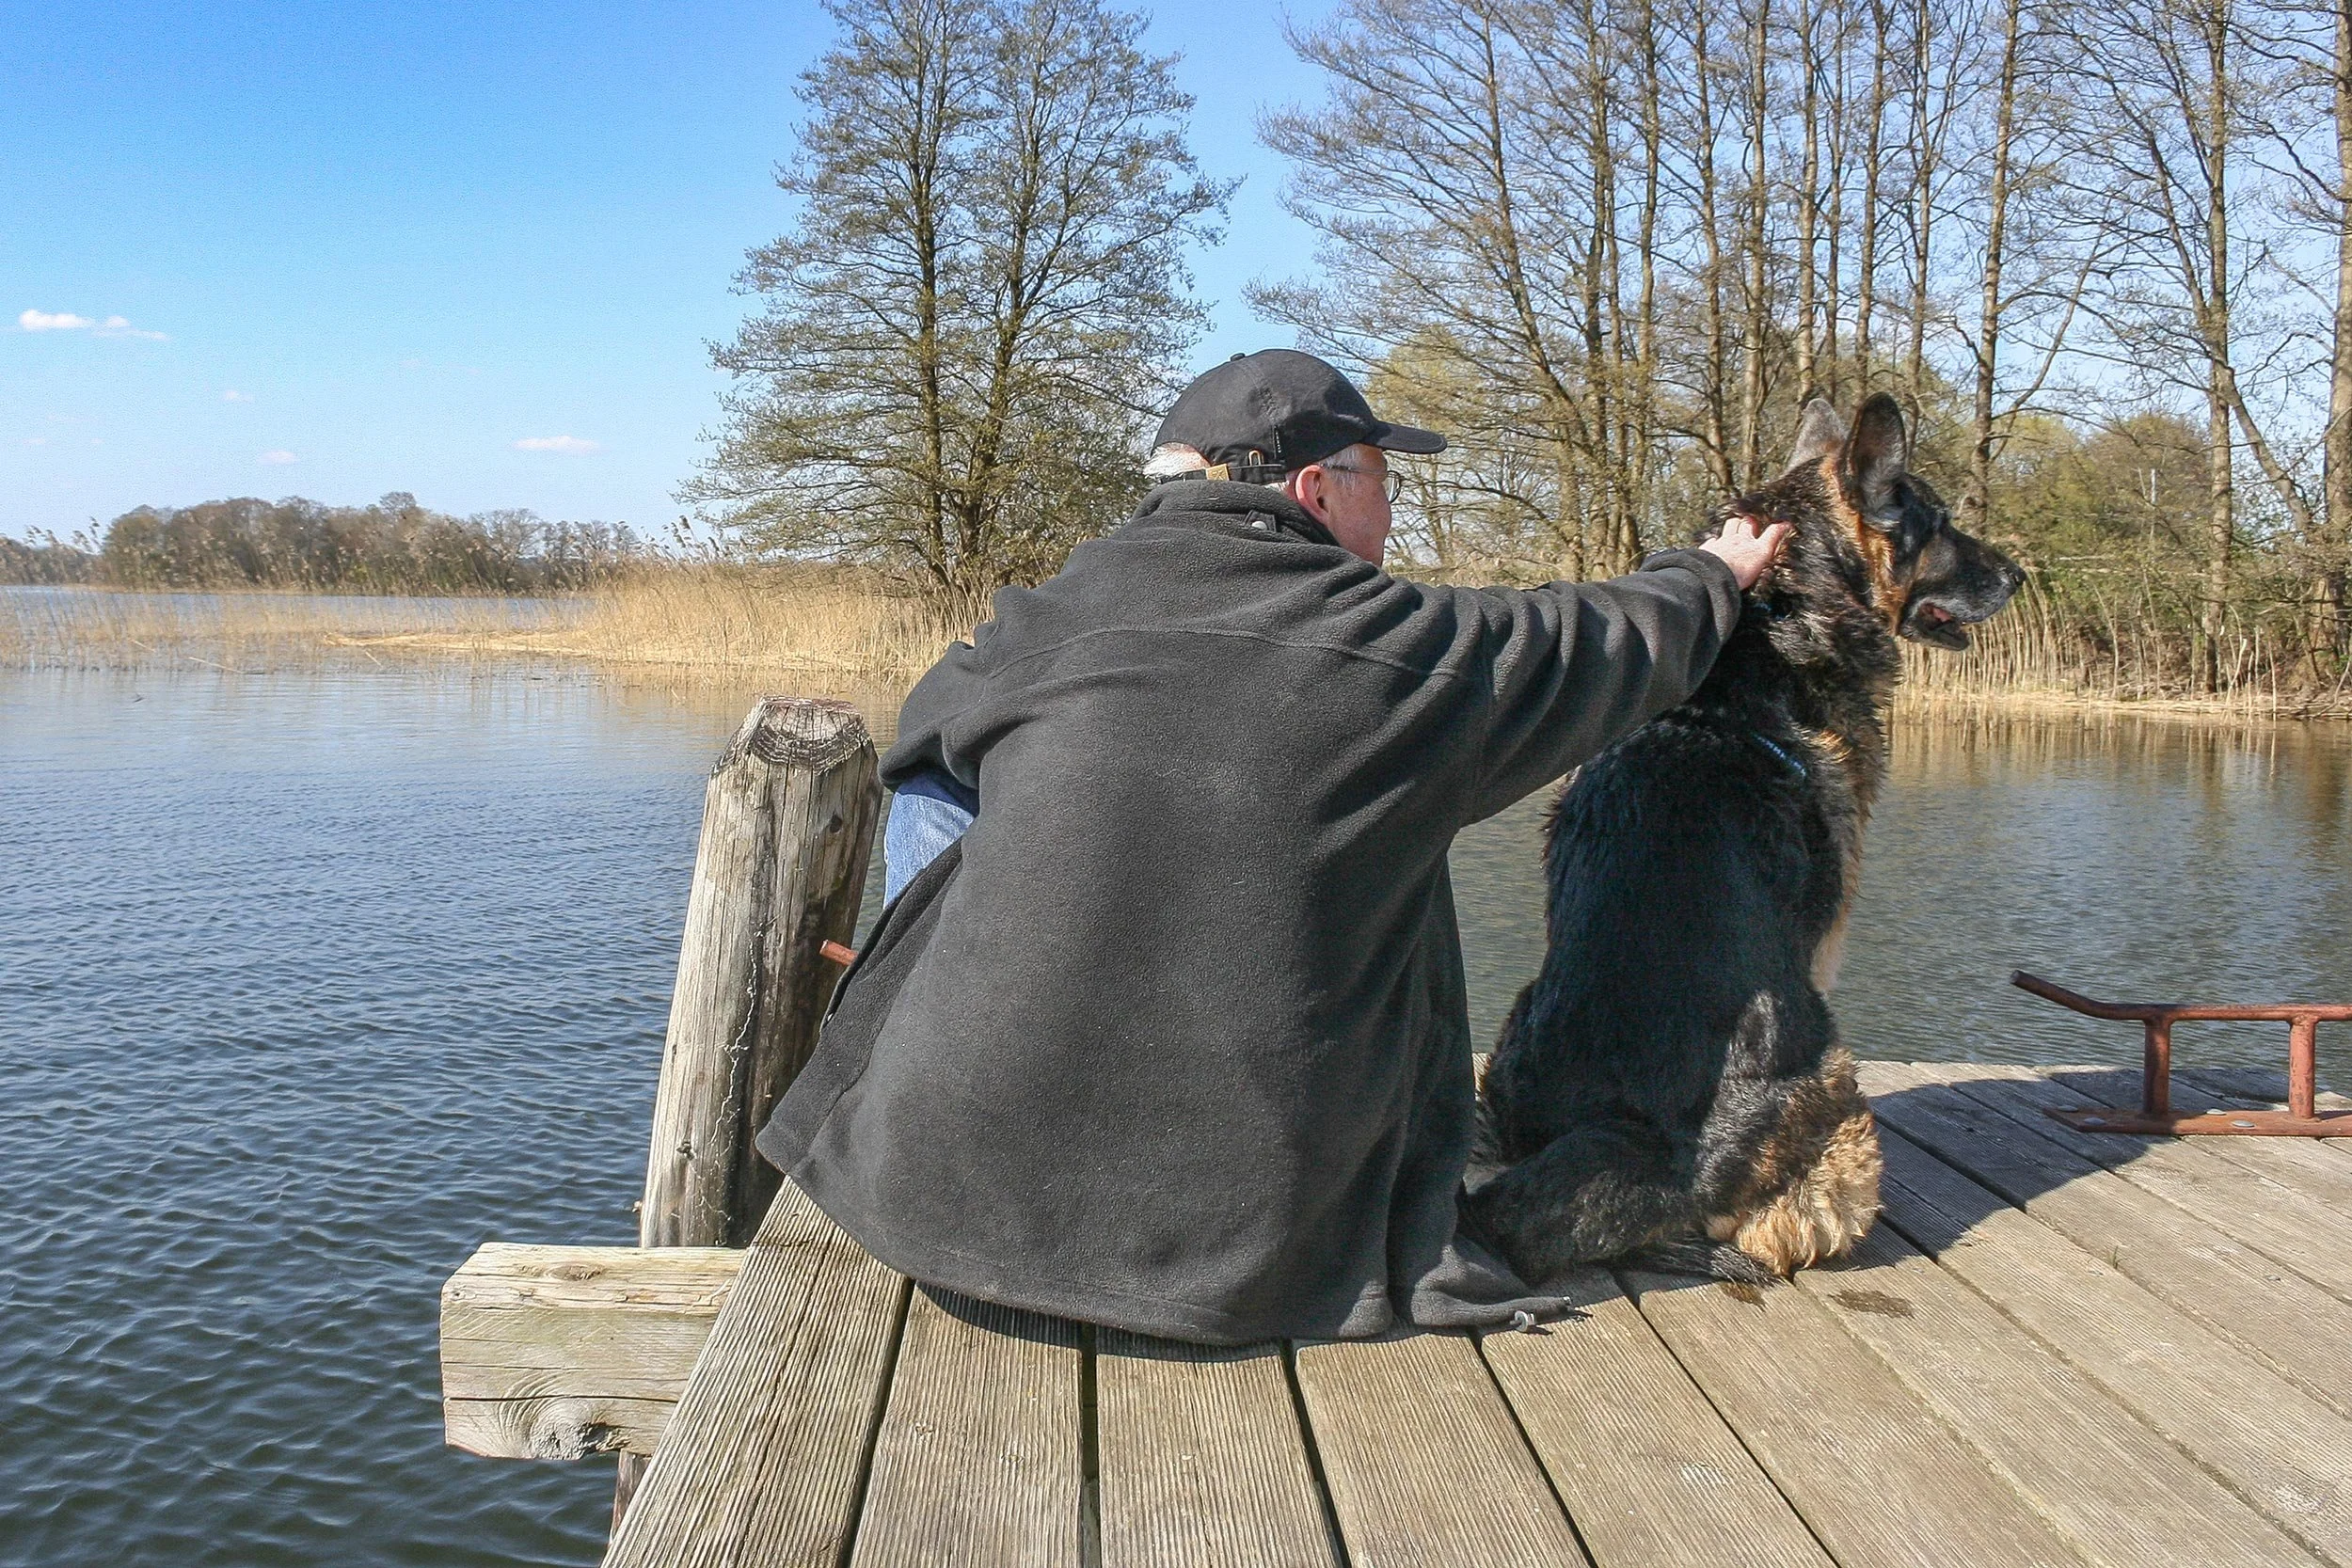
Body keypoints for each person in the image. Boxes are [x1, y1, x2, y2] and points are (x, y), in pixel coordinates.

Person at [755, 349, 1789, 1343]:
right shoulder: (1408, 652)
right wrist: (1711, 571)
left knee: (939, 779)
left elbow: (925, 757)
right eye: (1385, 482)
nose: (1393, 515)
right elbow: (1606, 637)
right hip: (1246, 1261)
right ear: (1315, 488)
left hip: (931, 1205)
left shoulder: (1036, 621)